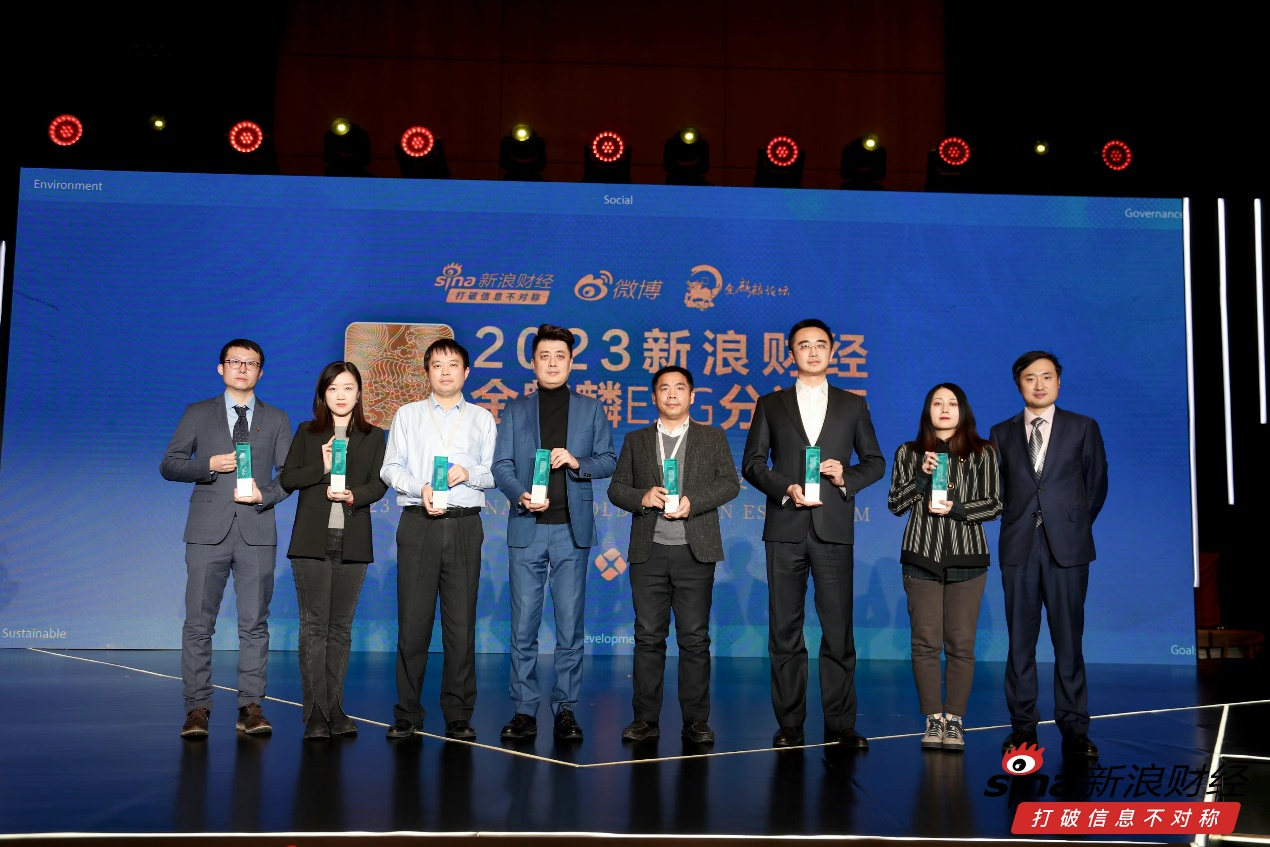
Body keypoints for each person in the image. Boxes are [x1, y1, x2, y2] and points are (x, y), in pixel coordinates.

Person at [742, 318, 885, 749]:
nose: (813, 351)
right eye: (803, 345)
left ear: (832, 351)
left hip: (833, 528)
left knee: (838, 628)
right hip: (785, 526)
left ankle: (841, 723)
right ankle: (790, 723)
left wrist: (844, 477)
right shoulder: (770, 403)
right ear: (791, 353)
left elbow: (875, 462)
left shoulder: (852, 405)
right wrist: (785, 488)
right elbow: (752, 463)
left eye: (820, 344)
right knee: (785, 628)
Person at [160, 339, 292, 738]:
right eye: (235, 361)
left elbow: (289, 476)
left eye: (251, 363)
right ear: (221, 368)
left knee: (254, 625)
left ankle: (250, 706)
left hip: (257, 530)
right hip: (207, 531)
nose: (242, 368)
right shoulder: (198, 413)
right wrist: (208, 464)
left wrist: (264, 495)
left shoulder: (277, 418)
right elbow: (170, 465)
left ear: (260, 372)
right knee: (199, 624)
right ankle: (197, 707)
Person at [492, 324, 617, 742]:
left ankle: (566, 708)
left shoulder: (590, 409)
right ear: (533, 362)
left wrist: (577, 461)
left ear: (571, 361)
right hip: (527, 527)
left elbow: (608, 460)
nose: (551, 363)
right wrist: (521, 495)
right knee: (523, 626)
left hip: (570, 530)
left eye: (559, 356)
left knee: (569, 626)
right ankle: (524, 710)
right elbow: (501, 466)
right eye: (544, 356)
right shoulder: (515, 409)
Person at [606, 366, 740, 744]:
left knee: (694, 639)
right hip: (648, 551)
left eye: (680, 388)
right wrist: (642, 497)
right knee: (648, 637)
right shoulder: (636, 439)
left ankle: (696, 720)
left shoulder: (712, 437)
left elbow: (730, 483)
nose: (672, 395)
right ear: (654, 397)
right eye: (664, 389)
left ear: (692, 396)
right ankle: (645, 719)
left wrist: (694, 502)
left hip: (695, 550)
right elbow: (616, 488)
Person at [989, 351, 1107, 758]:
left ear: (1058, 381)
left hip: (1067, 549)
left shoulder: (1082, 427)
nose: (1039, 385)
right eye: (1030, 378)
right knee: (1020, 643)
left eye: (1047, 377)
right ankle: (1023, 728)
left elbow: (1096, 486)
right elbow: (995, 489)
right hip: (1018, 546)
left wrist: (1067, 525)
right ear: (1018, 384)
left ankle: (1074, 728)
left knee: (1068, 641)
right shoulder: (1001, 432)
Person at [380, 340, 497, 741]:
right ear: (426, 372)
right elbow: (390, 468)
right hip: (418, 524)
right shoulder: (408, 415)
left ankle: (458, 714)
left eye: (453, 364)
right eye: (437, 365)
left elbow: (494, 472)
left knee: (460, 627)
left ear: (466, 372)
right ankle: (407, 713)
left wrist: (468, 473)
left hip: (464, 525)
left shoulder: (482, 418)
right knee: (413, 625)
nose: (445, 372)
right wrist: (421, 487)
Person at [887, 383, 1002, 752]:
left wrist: (956, 508)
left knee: (961, 645)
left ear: (963, 410)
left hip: (968, 558)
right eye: (937, 403)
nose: (945, 409)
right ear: (928, 411)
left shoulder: (983, 452)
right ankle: (932, 719)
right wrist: (922, 475)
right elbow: (896, 504)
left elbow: (994, 504)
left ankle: (954, 721)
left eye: (952, 403)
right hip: (921, 556)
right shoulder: (908, 452)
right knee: (924, 643)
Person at [280, 361, 388, 740]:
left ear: (358, 393)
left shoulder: (374, 436)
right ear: (322, 395)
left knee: (340, 628)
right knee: (314, 627)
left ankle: (335, 707)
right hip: (311, 541)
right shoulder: (307, 432)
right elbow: (288, 478)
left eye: (348, 388)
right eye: (333, 389)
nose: (341, 395)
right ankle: (315, 712)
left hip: (352, 539)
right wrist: (322, 465)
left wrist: (354, 495)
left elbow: (379, 484)